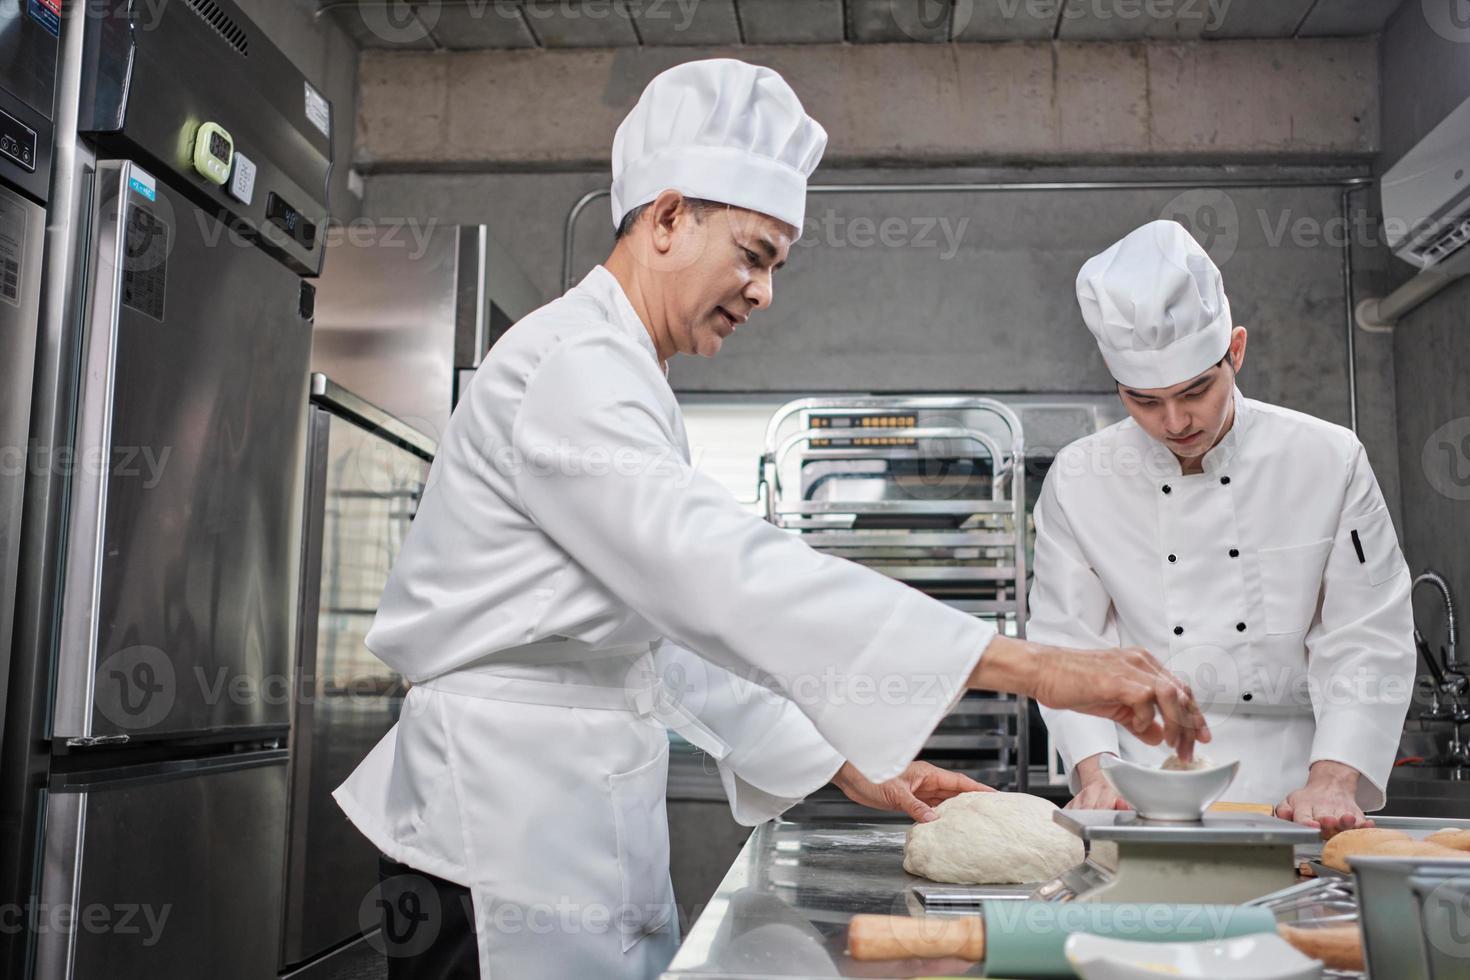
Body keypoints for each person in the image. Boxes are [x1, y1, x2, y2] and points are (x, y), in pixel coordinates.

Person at [334, 62, 1207, 979]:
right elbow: (724, 576)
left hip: (563, 813)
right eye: (754, 255)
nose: (764, 293)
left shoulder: (625, 372)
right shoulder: (572, 365)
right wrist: (1035, 667)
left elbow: (666, 643)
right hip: (494, 829)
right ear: (668, 218)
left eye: (775, 266)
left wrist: (846, 761)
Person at [1030, 219, 1415, 835]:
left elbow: (1366, 633)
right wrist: (1095, 771)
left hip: (1298, 793)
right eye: (1144, 401)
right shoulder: (1080, 478)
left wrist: (1335, 777)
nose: (1175, 421)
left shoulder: (1326, 458)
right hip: (1141, 789)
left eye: (1196, 390)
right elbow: (1068, 644)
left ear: (1235, 350)